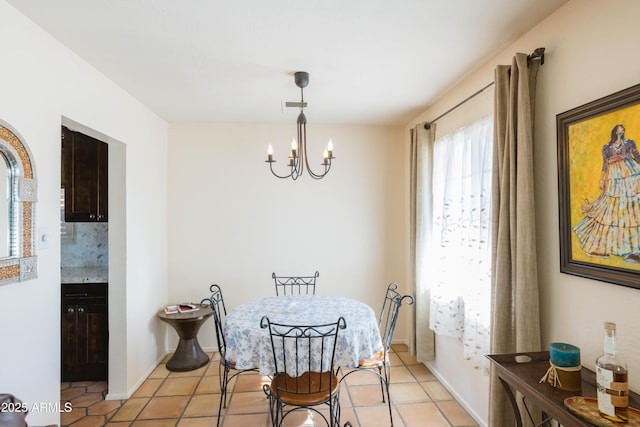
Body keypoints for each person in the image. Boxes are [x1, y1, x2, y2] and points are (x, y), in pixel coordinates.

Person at [573, 124, 640, 263]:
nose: (621, 130)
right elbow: (605, 165)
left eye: (623, 129)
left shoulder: (629, 143)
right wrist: (602, 180)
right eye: (619, 128)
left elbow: (637, 156)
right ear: (615, 131)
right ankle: (622, 247)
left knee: (630, 209)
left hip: (630, 174)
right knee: (614, 210)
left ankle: (633, 249)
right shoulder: (607, 147)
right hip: (614, 177)